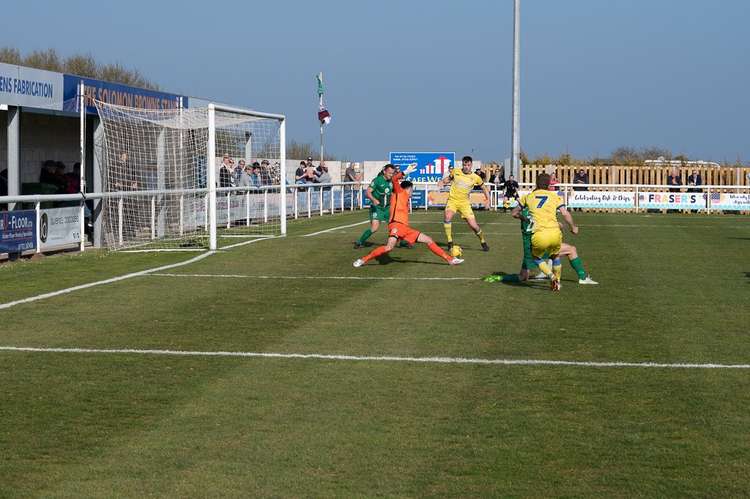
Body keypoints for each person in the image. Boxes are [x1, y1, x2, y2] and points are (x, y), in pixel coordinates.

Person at [354, 165, 463, 267]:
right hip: (396, 225)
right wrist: (405, 171)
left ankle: (450, 259)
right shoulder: (399, 192)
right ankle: (363, 260)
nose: (412, 192)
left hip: (404, 228)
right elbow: (394, 180)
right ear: (407, 189)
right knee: (388, 247)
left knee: (429, 240)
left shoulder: (405, 197)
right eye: (412, 189)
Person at [484, 203, 597, 285]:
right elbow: (557, 225)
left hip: (529, 248)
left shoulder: (525, 213)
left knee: (522, 277)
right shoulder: (539, 213)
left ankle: (500, 277)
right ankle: (582, 277)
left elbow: (514, 213)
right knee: (571, 250)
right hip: (539, 246)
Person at [511, 173, 578, 292]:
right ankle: (557, 282)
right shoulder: (555, 197)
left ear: (536, 184)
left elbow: (514, 213)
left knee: (535, 256)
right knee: (555, 255)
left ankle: (552, 277)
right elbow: (565, 213)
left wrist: (524, 218)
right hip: (556, 233)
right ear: (548, 185)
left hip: (540, 234)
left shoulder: (528, 197)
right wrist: (573, 227)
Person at [437, 155, 491, 251]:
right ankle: (450, 242)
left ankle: (483, 241)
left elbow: (484, 188)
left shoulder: (476, 177)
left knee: (474, 226)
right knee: (447, 217)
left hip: (464, 204)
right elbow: (448, 179)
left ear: (471, 166)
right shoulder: (456, 171)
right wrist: (442, 181)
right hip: (452, 201)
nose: (466, 167)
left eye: (468, 165)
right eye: (464, 165)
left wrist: (488, 200)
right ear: (462, 165)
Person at [354, 164, 395, 248]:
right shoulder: (377, 180)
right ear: (384, 171)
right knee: (375, 228)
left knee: (395, 226)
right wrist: (374, 200)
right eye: (389, 173)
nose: (391, 175)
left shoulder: (391, 181)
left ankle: (403, 242)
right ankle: (360, 242)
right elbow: (367, 192)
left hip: (387, 208)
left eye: (392, 173)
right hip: (377, 208)